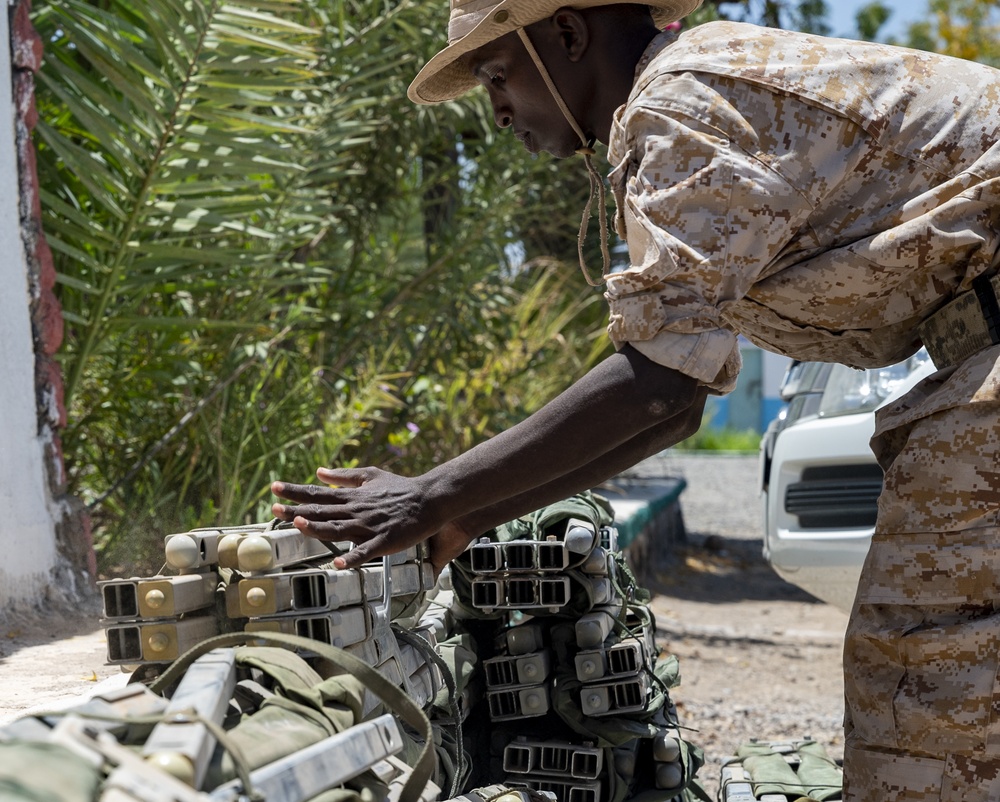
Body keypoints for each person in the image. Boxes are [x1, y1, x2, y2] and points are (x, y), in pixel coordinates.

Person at [272, 0, 1000, 798]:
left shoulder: (680, 105)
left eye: (497, 74)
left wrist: (429, 493)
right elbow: (679, 399)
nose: (499, 111)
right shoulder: (687, 104)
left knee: (925, 708)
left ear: (569, 34)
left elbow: (654, 383)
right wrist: (462, 516)